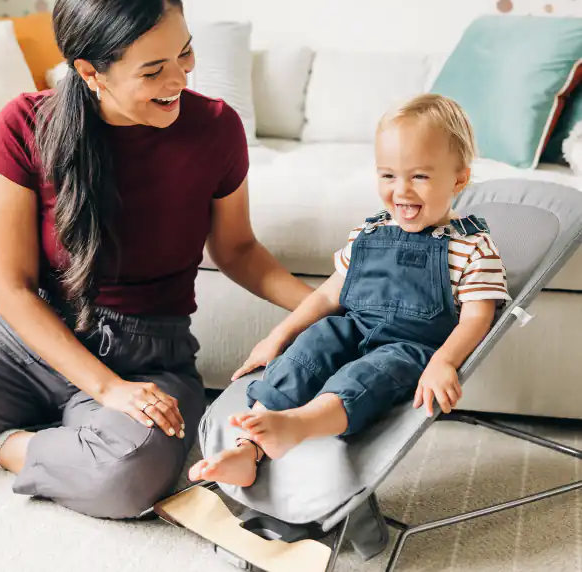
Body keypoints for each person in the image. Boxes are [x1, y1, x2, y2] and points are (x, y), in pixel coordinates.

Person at [0, 0, 312, 519]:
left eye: (185, 53)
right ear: (91, 71)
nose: (180, 79)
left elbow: (237, 250)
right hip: (30, 342)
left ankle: (1, 447)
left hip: (151, 357)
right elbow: (12, 287)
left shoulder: (215, 128)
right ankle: (66, 433)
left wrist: (326, 304)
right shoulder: (25, 124)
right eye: (153, 70)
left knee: (124, 479)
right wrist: (104, 389)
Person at [189, 93, 511, 488]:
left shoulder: (471, 246)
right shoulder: (370, 233)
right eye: (388, 175)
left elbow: (479, 315)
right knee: (312, 345)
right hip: (355, 328)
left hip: (409, 348)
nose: (402, 191)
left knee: (367, 375)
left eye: (420, 177)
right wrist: (278, 337)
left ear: (459, 178)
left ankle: (297, 425)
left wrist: (444, 361)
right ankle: (246, 449)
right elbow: (327, 296)